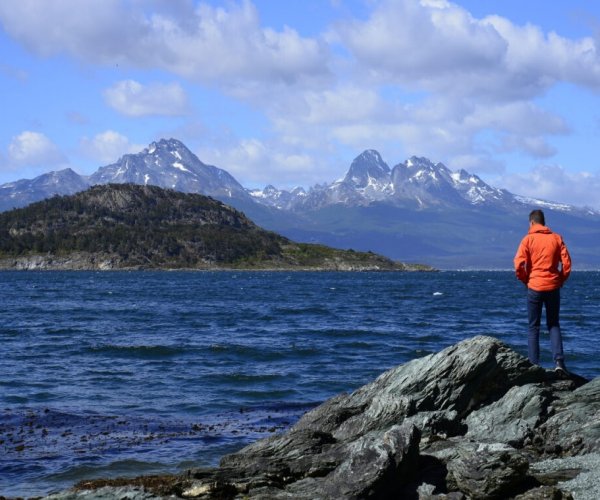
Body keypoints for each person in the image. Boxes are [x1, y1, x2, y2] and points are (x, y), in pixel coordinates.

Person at [514, 209, 572, 373]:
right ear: (543, 222)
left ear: (531, 222)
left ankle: (534, 365)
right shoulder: (556, 238)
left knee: (533, 327)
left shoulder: (527, 240)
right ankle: (559, 363)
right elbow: (567, 264)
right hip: (553, 286)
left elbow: (518, 264)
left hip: (534, 287)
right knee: (553, 324)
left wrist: (526, 279)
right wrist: (560, 279)